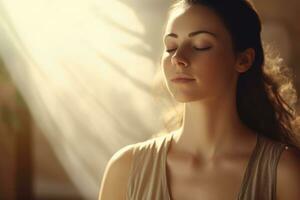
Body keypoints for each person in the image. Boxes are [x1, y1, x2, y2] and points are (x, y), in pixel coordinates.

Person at [98, 0, 300, 199]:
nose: (178, 57)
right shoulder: (124, 169)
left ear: (243, 60)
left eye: (200, 45)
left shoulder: (284, 172)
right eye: (171, 47)